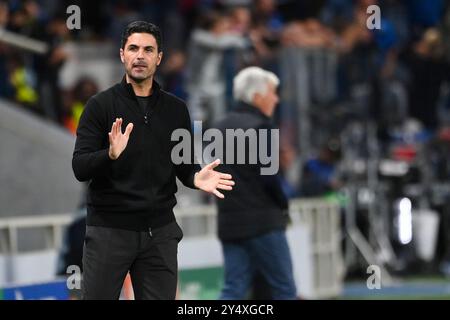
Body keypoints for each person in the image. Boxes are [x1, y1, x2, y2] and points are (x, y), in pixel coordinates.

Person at [72, 21, 234, 300]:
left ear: (159, 58)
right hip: (110, 231)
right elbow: (80, 167)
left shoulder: (176, 109)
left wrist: (195, 177)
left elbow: (183, 167)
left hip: (159, 232)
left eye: (148, 50)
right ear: (122, 54)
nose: (140, 56)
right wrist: (109, 155)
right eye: (133, 48)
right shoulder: (100, 106)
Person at [214, 66, 297, 300]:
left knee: (233, 289)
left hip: (229, 221)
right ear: (257, 96)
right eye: (272, 92)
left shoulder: (218, 128)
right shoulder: (262, 127)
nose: (276, 98)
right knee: (284, 289)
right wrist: (283, 204)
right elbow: (269, 178)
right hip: (263, 222)